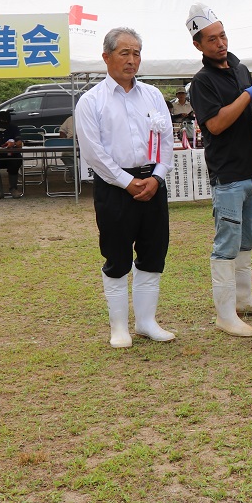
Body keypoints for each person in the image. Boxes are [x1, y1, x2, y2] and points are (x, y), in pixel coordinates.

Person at [76, 27, 175, 348]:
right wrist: (127, 182)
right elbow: (94, 153)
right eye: (125, 53)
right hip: (114, 188)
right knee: (117, 256)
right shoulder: (91, 101)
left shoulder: (153, 95)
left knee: (153, 253)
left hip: (152, 184)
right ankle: (119, 327)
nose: (132, 60)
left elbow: (166, 142)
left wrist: (156, 177)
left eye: (136, 53)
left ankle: (146, 322)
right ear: (106, 57)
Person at [187, 3, 252, 338]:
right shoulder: (201, 83)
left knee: (247, 240)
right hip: (228, 175)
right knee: (226, 242)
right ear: (199, 45)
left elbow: (246, 111)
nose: (220, 43)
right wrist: (247, 94)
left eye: (222, 35)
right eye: (212, 39)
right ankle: (225, 314)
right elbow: (218, 123)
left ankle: (243, 298)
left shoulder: (239, 67)